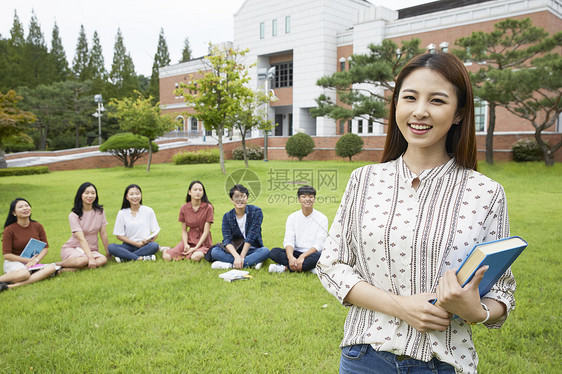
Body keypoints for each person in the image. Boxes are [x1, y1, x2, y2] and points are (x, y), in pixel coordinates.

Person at [316, 53, 515, 374]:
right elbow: (331, 266)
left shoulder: (486, 193)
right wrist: (402, 307)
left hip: (444, 364)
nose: (420, 111)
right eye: (409, 97)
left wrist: (477, 311)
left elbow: (502, 290)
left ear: (460, 113)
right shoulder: (364, 180)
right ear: (396, 105)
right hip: (364, 358)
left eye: (437, 100)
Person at [268, 185, 328, 274]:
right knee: (274, 252)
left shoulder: (322, 218)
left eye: (311, 197)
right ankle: (310, 268)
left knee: (320, 256)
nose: (307, 199)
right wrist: (290, 257)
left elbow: (319, 244)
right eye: (304, 197)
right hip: (295, 252)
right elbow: (289, 241)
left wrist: (303, 256)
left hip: (312, 254)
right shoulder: (292, 217)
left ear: (314, 199)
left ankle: (284, 268)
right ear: (299, 199)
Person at [1, 198, 56, 292]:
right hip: (14, 262)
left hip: (32, 262)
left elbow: (45, 248)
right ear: (14, 212)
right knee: (24, 274)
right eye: (20, 207)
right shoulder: (9, 229)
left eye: (27, 206)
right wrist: (27, 260)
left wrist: (36, 260)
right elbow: (7, 255)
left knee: (51, 268)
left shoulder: (37, 226)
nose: (25, 208)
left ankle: (9, 286)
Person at [210, 184, 269, 269]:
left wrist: (241, 256)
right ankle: (250, 263)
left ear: (247, 198)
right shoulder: (227, 216)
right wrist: (237, 257)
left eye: (243, 196)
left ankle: (230, 265)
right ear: (232, 200)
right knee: (215, 252)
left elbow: (251, 237)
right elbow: (227, 240)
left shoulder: (256, 212)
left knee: (265, 251)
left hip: (252, 249)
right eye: (236, 196)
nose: (240, 200)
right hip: (235, 250)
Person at [58, 182, 110, 270]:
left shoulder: (100, 212)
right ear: (81, 195)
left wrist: (108, 253)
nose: (90, 196)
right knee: (83, 260)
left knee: (102, 260)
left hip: (92, 250)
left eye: (93, 193)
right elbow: (81, 238)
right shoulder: (74, 215)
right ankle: (56, 264)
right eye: (87, 193)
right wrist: (90, 258)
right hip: (74, 248)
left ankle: (69, 269)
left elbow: (103, 233)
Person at [163, 180, 214, 262]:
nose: (198, 192)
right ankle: (165, 249)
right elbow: (184, 230)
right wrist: (186, 244)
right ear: (189, 192)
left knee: (195, 257)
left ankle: (196, 252)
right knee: (167, 257)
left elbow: (206, 232)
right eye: (195, 190)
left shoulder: (208, 208)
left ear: (203, 193)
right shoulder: (184, 208)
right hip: (189, 239)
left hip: (203, 241)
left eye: (200, 190)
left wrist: (196, 247)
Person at [107, 184, 160, 262]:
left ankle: (125, 257)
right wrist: (136, 244)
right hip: (128, 245)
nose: (135, 197)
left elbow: (156, 232)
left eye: (137, 194)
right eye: (131, 194)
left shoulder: (148, 210)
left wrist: (148, 241)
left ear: (141, 195)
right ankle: (140, 258)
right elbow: (119, 236)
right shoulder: (122, 213)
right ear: (127, 197)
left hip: (144, 245)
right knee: (111, 247)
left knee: (154, 245)